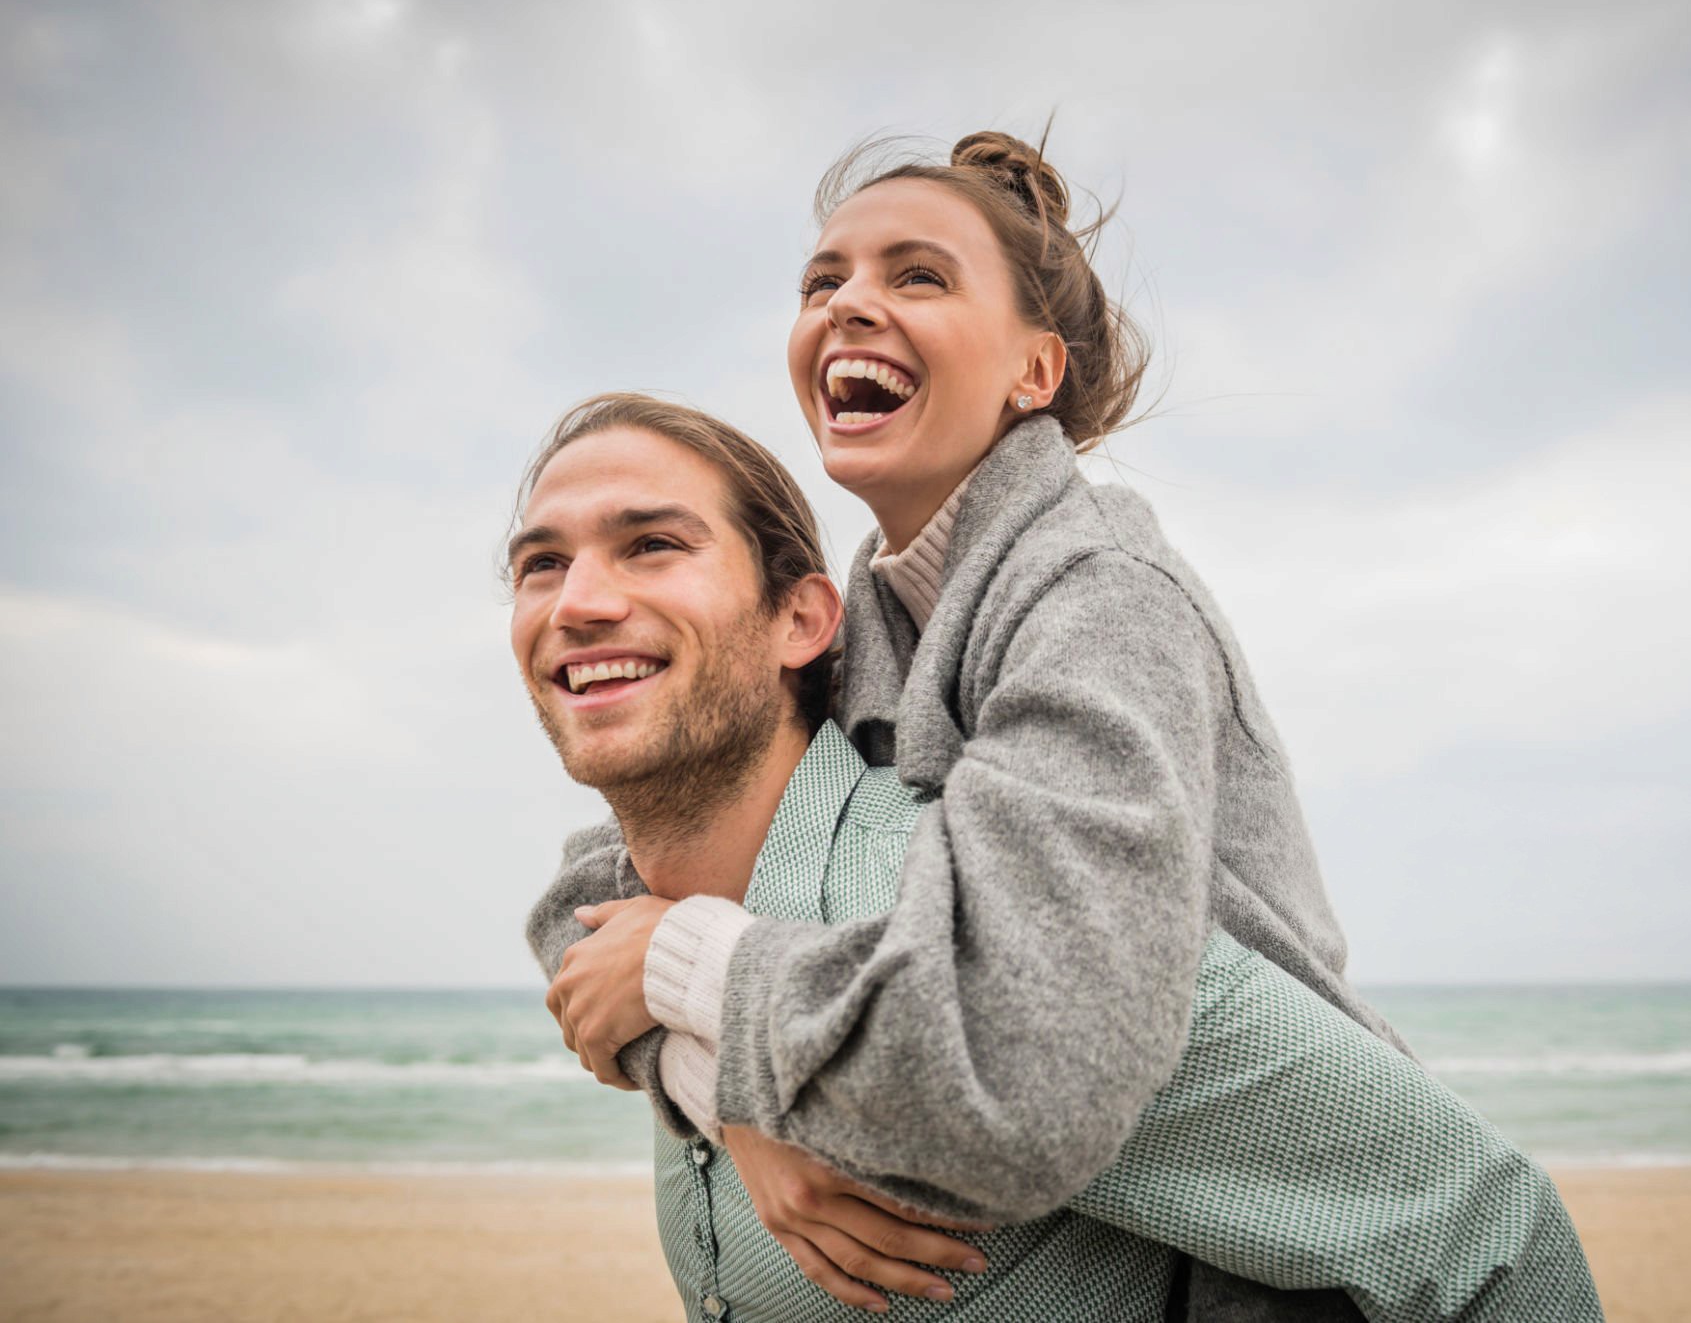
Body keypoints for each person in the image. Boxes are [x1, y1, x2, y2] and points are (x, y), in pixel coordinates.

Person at [518, 394, 1601, 1321]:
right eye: (541, 563)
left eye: (652, 544)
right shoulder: (628, 945)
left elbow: (1479, 1220)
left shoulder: (980, 915)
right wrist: (733, 1083)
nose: (578, 601)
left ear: (802, 619)